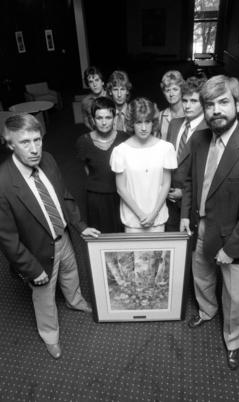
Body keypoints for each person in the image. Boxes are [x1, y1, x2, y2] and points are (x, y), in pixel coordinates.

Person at [180, 75, 239, 370]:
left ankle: (234, 340)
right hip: (201, 225)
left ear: (238, 104)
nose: (216, 110)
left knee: (235, 296)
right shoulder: (199, 139)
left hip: (235, 236)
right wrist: (184, 215)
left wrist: (231, 249)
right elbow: (191, 181)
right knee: (202, 275)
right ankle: (206, 311)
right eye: (210, 104)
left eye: (223, 102)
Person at [0, 114, 100, 360]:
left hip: (63, 236)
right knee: (44, 298)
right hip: (36, 253)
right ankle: (50, 336)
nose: (34, 149)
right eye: (25, 142)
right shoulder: (2, 183)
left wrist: (79, 225)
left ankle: (75, 300)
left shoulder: (49, 160)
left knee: (71, 271)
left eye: (37, 140)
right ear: (9, 143)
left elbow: (63, 196)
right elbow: (8, 241)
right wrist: (32, 269)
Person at [110, 97, 177, 233]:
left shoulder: (166, 148)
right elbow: (121, 188)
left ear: (153, 122)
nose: (144, 128)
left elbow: (166, 184)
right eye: (138, 122)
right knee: (132, 255)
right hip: (132, 221)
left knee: (160, 255)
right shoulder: (120, 151)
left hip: (158, 219)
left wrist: (153, 214)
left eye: (147, 121)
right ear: (131, 123)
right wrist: (141, 215)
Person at [76, 96, 128, 233]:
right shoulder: (83, 141)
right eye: (99, 118)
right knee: (100, 237)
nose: (104, 122)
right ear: (93, 119)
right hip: (96, 198)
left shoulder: (124, 139)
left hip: (120, 194)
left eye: (108, 117)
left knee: (122, 235)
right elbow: (86, 169)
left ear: (114, 118)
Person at [166, 76, 208, 231]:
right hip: (169, 198)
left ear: (203, 103)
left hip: (192, 202)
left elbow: (208, 173)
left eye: (193, 101)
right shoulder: (174, 124)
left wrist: (183, 193)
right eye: (184, 100)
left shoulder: (209, 131)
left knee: (189, 250)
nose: (187, 106)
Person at [158, 70, 185, 140]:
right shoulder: (160, 116)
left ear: (181, 90)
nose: (171, 94)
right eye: (167, 90)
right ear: (164, 93)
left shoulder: (190, 112)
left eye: (175, 89)